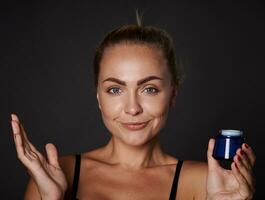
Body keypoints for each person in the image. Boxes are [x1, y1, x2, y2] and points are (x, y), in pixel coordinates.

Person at [10, 12, 256, 200]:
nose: (132, 108)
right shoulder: (55, 174)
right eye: (115, 90)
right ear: (99, 97)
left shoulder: (208, 182)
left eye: (149, 89)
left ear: (173, 94)